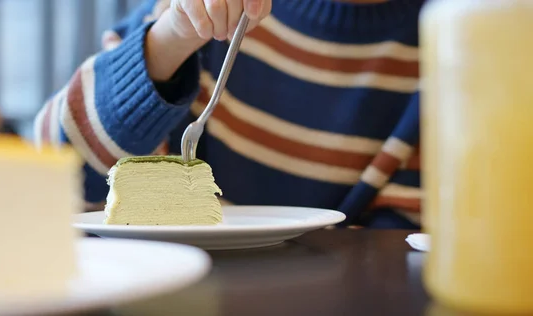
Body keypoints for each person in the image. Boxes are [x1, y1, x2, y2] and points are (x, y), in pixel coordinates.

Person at [35, 0, 423, 229]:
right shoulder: (191, 14)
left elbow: (404, 245)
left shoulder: (454, 43)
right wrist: (173, 38)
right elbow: (57, 173)